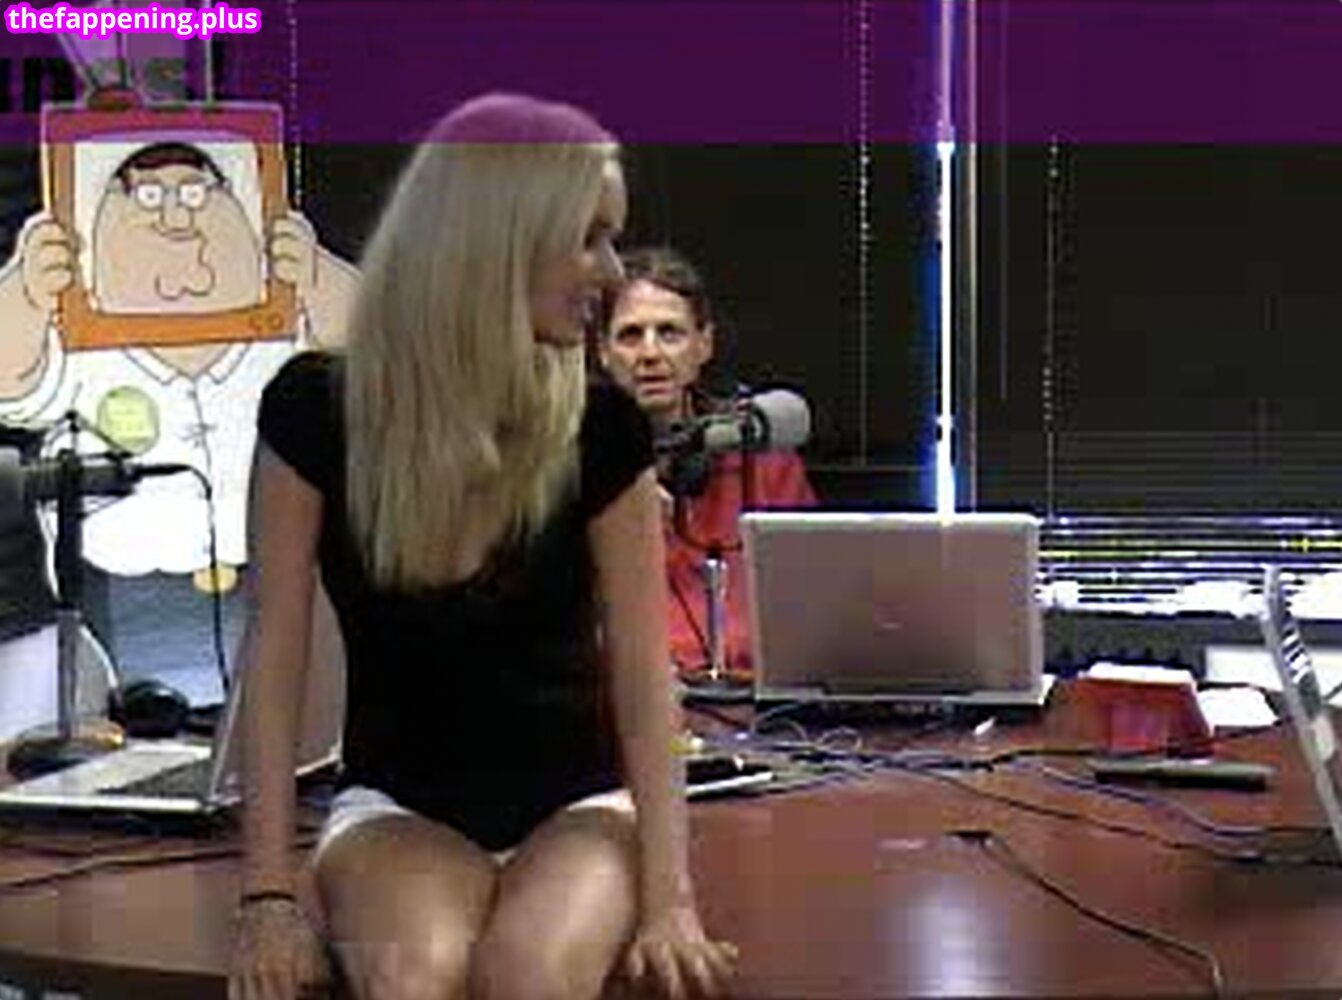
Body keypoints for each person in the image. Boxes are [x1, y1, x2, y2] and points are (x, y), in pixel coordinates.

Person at [228, 94, 738, 1000]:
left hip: (575, 808)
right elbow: (274, 658)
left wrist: (670, 899)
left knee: (529, 975)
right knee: (417, 975)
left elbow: (641, 673)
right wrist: (267, 896)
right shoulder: (315, 412)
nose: (609, 271)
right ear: (499, 240)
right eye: (587, 239)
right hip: (397, 807)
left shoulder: (601, 427)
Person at [0, 136, 357, 686]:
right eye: (146, 197)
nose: (176, 219)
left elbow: (377, 352)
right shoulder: (80, 342)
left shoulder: (282, 334)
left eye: (196, 193)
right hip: (120, 594)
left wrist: (317, 276)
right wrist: (26, 293)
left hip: (279, 579)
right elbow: (11, 380)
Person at [599, 246, 816, 680]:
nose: (650, 353)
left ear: (703, 345)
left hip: (752, 696)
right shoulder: (575, 473)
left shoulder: (762, 460)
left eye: (669, 333)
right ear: (603, 352)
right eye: (630, 335)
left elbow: (812, 604)